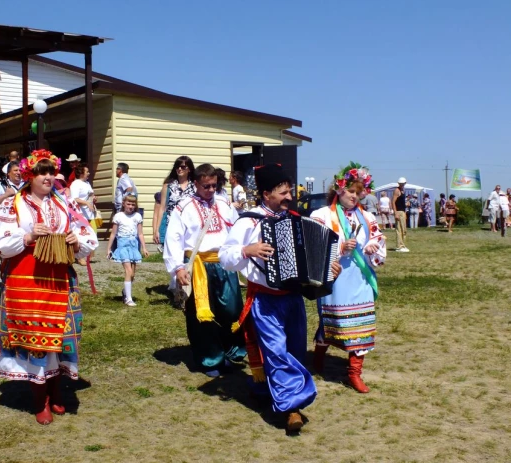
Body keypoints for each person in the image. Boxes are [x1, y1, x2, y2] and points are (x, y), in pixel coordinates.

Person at [219, 163, 340, 432]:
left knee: (295, 352)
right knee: (276, 353)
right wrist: (247, 249)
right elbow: (224, 256)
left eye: (289, 191)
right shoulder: (248, 221)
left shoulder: (296, 219)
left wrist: (330, 267)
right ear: (266, 194)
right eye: (283, 192)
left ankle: (266, 391)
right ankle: (292, 409)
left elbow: (316, 260)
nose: (289, 196)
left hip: (293, 299)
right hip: (265, 301)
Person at [0, 149, 98, 426]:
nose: (48, 177)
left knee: (60, 336)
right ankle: (41, 399)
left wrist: (75, 240)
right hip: (27, 279)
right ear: (30, 175)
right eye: (42, 172)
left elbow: (86, 236)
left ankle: (57, 390)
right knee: (34, 337)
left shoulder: (64, 203)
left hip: (61, 278)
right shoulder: (14, 204)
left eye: (51, 172)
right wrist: (27, 235)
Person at [309, 163, 385, 394]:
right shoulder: (322, 216)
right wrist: (340, 248)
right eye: (351, 191)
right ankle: (318, 360)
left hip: (359, 277)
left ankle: (354, 373)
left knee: (362, 323)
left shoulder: (367, 216)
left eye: (359, 192)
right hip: (335, 276)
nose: (355, 196)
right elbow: (313, 246)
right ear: (339, 190)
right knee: (332, 322)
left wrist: (373, 246)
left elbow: (378, 238)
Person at [164, 163, 245, 377]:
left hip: (225, 263)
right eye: (206, 186)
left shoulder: (225, 203)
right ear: (195, 183)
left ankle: (230, 352)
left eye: (214, 186)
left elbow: (238, 230)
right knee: (202, 314)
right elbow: (173, 237)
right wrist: (177, 268)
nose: (210, 190)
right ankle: (210, 359)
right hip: (199, 266)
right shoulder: (184, 207)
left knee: (231, 310)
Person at [106, 194, 149, 306]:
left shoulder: (137, 216)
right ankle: (128, 299)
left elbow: (140, 233)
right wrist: (109, 248)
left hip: (134, 246)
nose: (130, 206)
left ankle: (125, 291)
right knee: (128, 271)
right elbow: (113, 234)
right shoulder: (118, 216)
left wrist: (144, 247)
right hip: (123, 245)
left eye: (133, 204)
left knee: (132, 273)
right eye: (128, 204)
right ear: (124, 204)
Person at [155, 156, 196, 246]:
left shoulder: (195, 185)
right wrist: (157, 229)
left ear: (189, 169)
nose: (179, 169)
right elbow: (162, 208)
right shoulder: (168, 185)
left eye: (183, 167)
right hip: (172, 225)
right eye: (177, 167)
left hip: (190, 226)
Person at [70, 163, 96, 265]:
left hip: (89, 212)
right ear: (81, 173)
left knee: (88, 233)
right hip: (79, 213)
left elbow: (90, 195)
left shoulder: (87, 183)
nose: (89, 173)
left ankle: (87, 254)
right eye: (87, 172)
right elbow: (74, 199)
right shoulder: (75, 184)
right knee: (81, 233)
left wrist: (93, 199)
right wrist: (85, 203)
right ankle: (79, 256)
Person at [392, 177, 409, 252]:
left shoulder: (403, 191)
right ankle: (399, 246)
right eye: (401, 183)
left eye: (403, 183)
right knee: (399, 229)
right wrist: (395, 213)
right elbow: (393, 202)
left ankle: (402, 245)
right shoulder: (397, 190)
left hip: (402, 211)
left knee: (404, 229)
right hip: (398, 211)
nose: (402, 184)